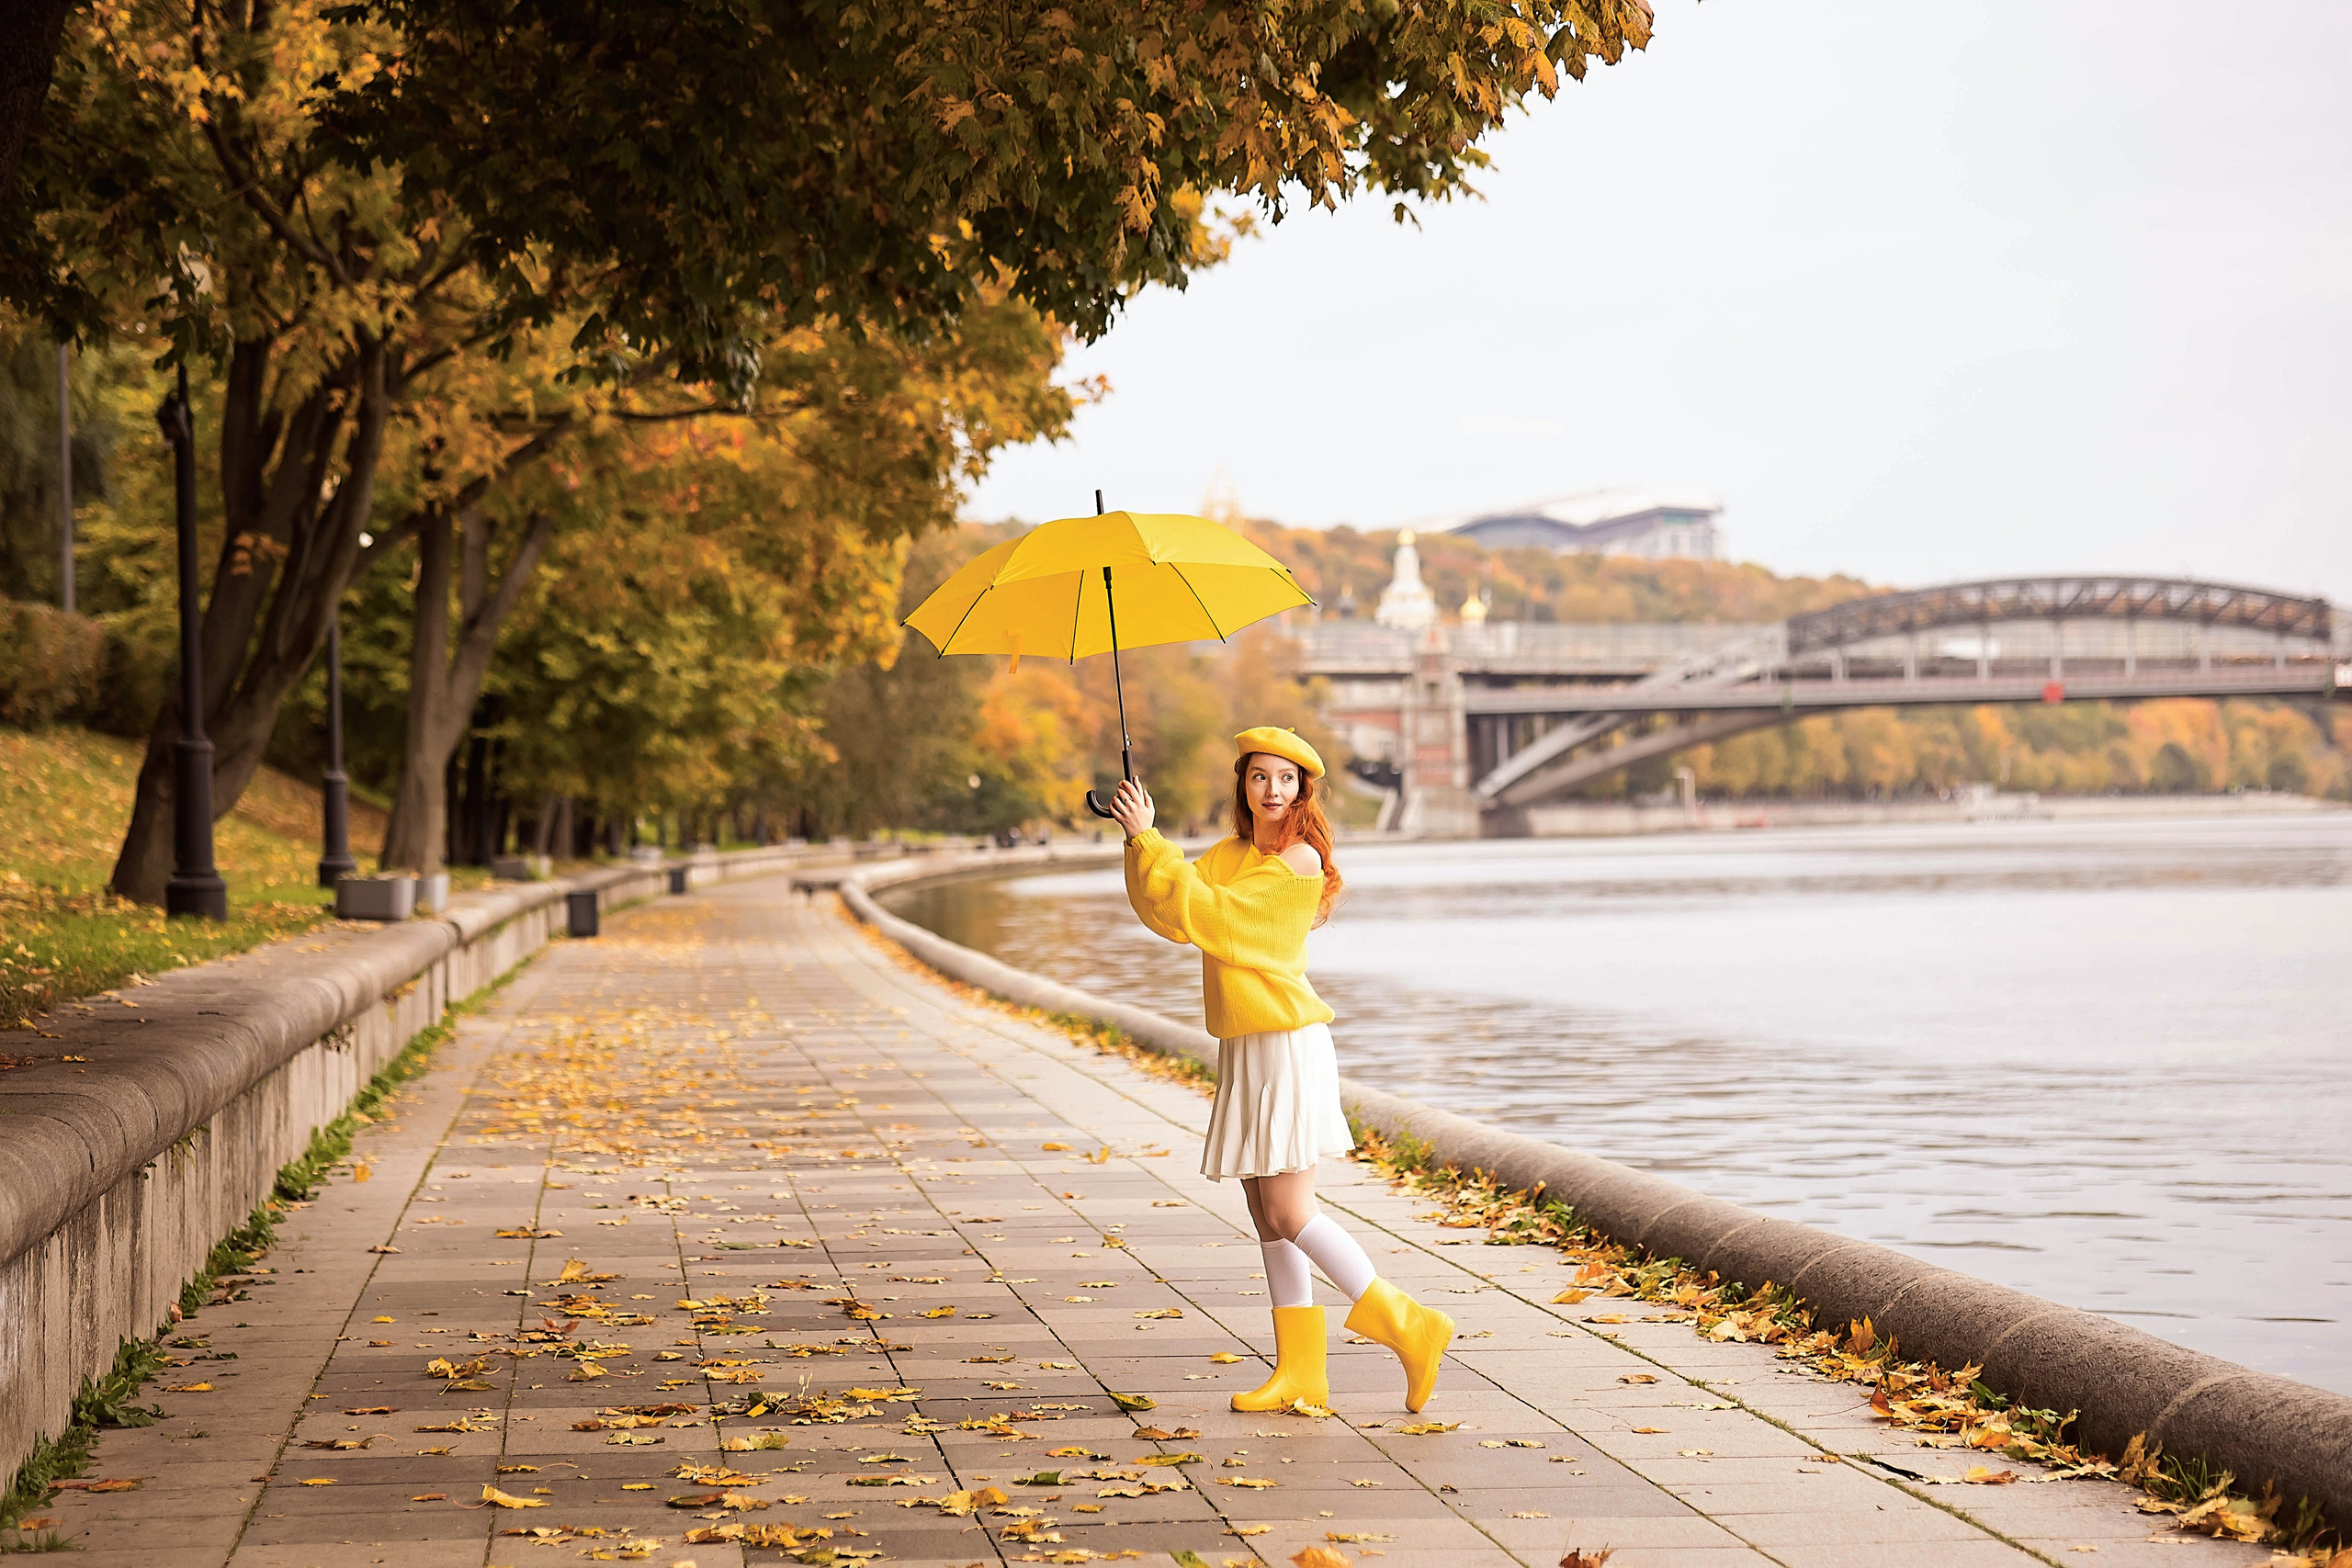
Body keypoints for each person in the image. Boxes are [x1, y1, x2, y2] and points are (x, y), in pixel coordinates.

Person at [1108, 727, 1455, 1414]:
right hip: (1245, 1045)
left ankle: (1410, 1324)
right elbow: (1171, 912)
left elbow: (1223, 918)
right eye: (1260, 776)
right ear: (1242, 782)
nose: (1272, 790)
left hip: (1288, 1044)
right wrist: (1135, 840)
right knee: (1264, 1214)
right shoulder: (1230, 855)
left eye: (1286, 779)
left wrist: (1154, 843)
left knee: (1291, 1209)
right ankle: (1301, 1372)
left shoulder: (1298, 862)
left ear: (1303, 790)